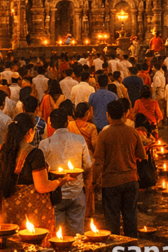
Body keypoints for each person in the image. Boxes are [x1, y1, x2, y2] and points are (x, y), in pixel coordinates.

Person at [0, 113, 68, 229]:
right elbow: (42, 186)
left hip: (9, 206)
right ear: (30, 131)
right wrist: (60, 181)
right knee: (35, 243)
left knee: (14, 241)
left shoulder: (2, 151)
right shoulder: (35, 153)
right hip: (33, 210)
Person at [93, 100, 146, 237]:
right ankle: (131, 248)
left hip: (111, 182)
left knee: (112, 219)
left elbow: (98, 162)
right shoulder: (133, 133)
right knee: (130, 217)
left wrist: (93, 182)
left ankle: (115, 251)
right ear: (124, 114)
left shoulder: (104, 135)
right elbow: (141, 155)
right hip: (130, 179)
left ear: (107, 115)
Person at [39, 109, 92, 235]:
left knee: (57, 234)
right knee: (77, 234)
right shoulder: (79, 140)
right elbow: (88, 165)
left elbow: (41, 171)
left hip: (55, 194)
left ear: (50, 124)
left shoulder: (45, 144)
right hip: (77, 191)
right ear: (67, 123)